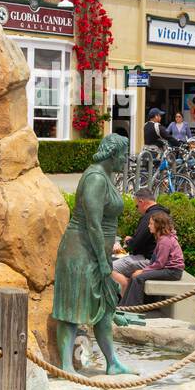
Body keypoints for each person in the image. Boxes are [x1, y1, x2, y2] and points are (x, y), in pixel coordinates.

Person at [53, 134, 138, 375]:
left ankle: (112, 362)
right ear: (113, 155)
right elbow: (93, 224)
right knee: (71, 309)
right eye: (123, 155)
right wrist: (104, 262)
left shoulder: (106, 177)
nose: (125, 160)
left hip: (95, 251)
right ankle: (67, 367)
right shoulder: (95, 179)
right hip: (80, 251)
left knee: (105, 306)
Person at [121, 211, 185, 306]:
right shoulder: (162, 238)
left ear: (158, 225)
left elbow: (160, 264)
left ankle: (134, 308)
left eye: (151, 224)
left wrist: (143, 271)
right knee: (134, 276)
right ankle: (123, 306)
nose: (149, 226)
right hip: (167, 269)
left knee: (139, 278)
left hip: (172, 271)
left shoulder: (165, 241)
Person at [111, 189, 168, 290]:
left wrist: (128, 241)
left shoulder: (149, 217)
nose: (137, 209)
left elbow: (136, 245)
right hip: (157, 259)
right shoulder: (163, 213)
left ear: (141, 202)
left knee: (107, 268)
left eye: (137, 206)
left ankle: (126, 294)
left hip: (149, 259)